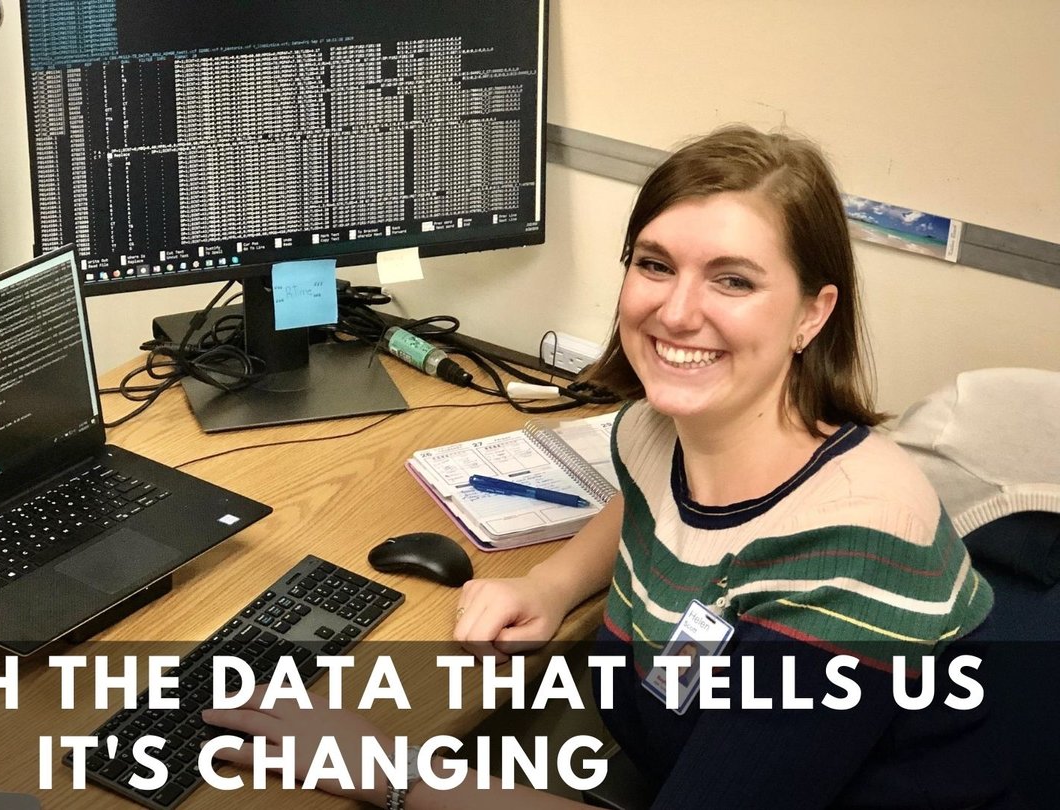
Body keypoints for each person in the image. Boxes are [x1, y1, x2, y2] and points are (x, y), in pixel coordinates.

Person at [204, 125, 1010, 808]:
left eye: (732, 279)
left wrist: (385, 767)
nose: (676, 310)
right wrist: (548, 585)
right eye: (655, 264)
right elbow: (645, 497)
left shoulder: (851, 552)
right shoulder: (664, 428)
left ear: (812, 312)